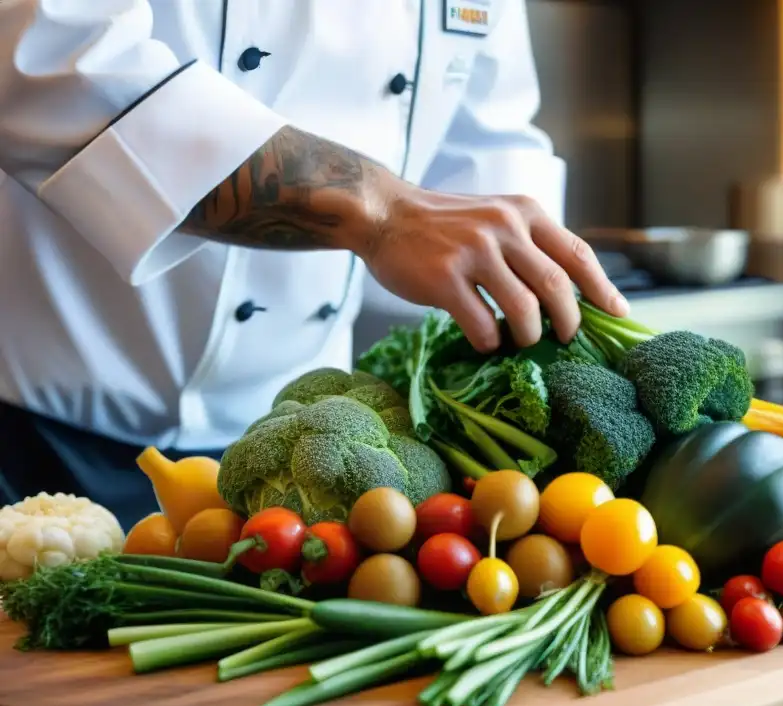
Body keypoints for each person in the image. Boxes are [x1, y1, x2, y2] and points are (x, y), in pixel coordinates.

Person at [0, 0, 628, 527]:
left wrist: (538, 317)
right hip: (36, 429)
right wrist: (383, 214)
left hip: (305, 451)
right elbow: (52, 59)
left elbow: (486, 141)